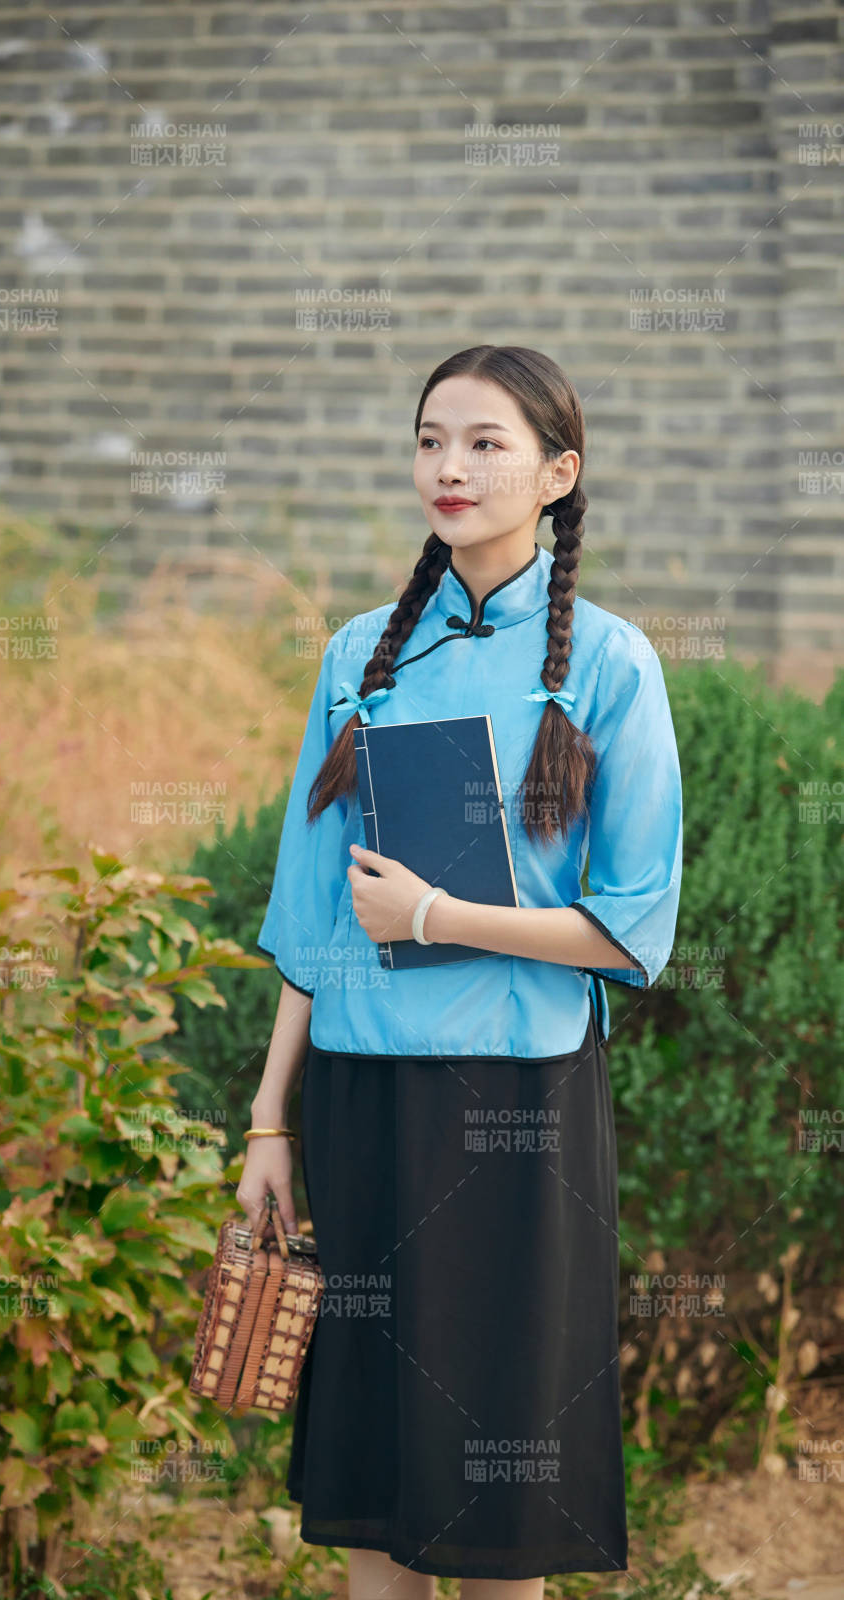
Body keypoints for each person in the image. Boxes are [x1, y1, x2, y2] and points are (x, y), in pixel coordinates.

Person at [240, 344, 684, 1600]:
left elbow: (630, 926)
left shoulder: (608, 663)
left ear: (557, 472)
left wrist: (442, 910)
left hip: (516, 1106)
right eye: (431, 438)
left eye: (486, 443)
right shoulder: (357, 658)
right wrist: (269, 1119)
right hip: (362, 1093)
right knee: (377, 1455)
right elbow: (311, 911)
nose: (450, 466)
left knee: (502, 1474)